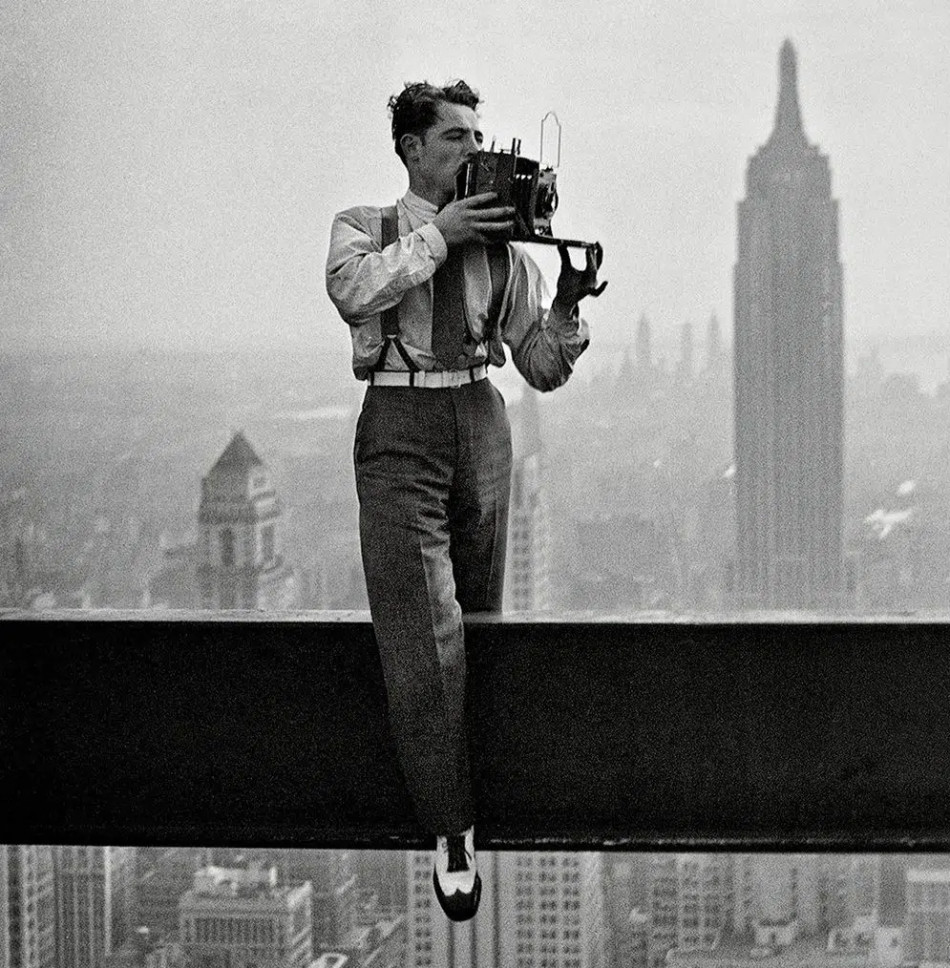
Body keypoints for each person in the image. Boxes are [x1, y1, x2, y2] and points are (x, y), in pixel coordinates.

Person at [325, 79, 606, 921]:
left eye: (478, 135)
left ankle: (479, 783)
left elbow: (542, 370)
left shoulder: (504, 252)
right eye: (455, 138)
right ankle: (452, 827)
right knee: (425, 629)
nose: (475, 151)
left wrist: (563, 303)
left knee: (479, 621)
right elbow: (352, 291)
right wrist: (439, 237)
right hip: (401, 420)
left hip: (481, 420)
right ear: (412, 149)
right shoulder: (365, 227)